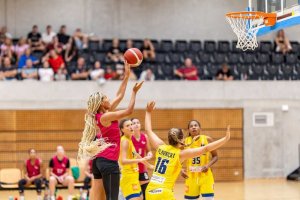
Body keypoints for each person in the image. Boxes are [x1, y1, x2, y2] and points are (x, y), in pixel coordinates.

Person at [77, 61, 144, 200]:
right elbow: (129, 111)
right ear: (101, 103)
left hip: (99, 161)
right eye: (106, 98)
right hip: (108, 162)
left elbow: (119, 96)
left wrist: (126, 76)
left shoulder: (101, 115)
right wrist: (134, 92)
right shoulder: (106, 116)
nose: (109, 99)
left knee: (98, 197)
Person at [144, 101, 231, 200]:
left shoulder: (160, 147)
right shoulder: (180, 154)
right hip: (164, 192)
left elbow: (148, 130)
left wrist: (148, 112)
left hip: (150, 190)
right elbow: (206, 148)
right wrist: (225, 139)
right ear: (181, 140)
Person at [182, 120, 218, 200]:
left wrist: (208, 165)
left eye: (195, 125)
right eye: (191, 126)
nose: (193, 127)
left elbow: (215, 156)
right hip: (190, 177)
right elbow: (177, 158)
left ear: (200, 128)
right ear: (188, 129)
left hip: (206, 177)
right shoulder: (184, 142)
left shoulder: (207, 139)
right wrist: (180, 170)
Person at [119, 119, 153, 200]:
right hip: (128, 177)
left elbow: (137, 155)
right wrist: (139, 161)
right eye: (127, 126)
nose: (131, 127)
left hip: (134, 176)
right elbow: (123, 161)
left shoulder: (129, 140)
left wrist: (149, 165)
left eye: (131, 124)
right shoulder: (125, 141)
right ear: (122, 129)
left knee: (141, 198)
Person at [131, 118, 153, 199]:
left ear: (140, 125)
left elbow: (148, 150)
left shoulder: (145, 137)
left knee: (146, 193)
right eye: (134, 123)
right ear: (131, 126)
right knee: (135, 195)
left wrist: (150, 154)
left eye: (138, 122)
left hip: (142, 169)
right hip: (132, 169)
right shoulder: (129, 138)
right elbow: (134, 154)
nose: (136, 124)